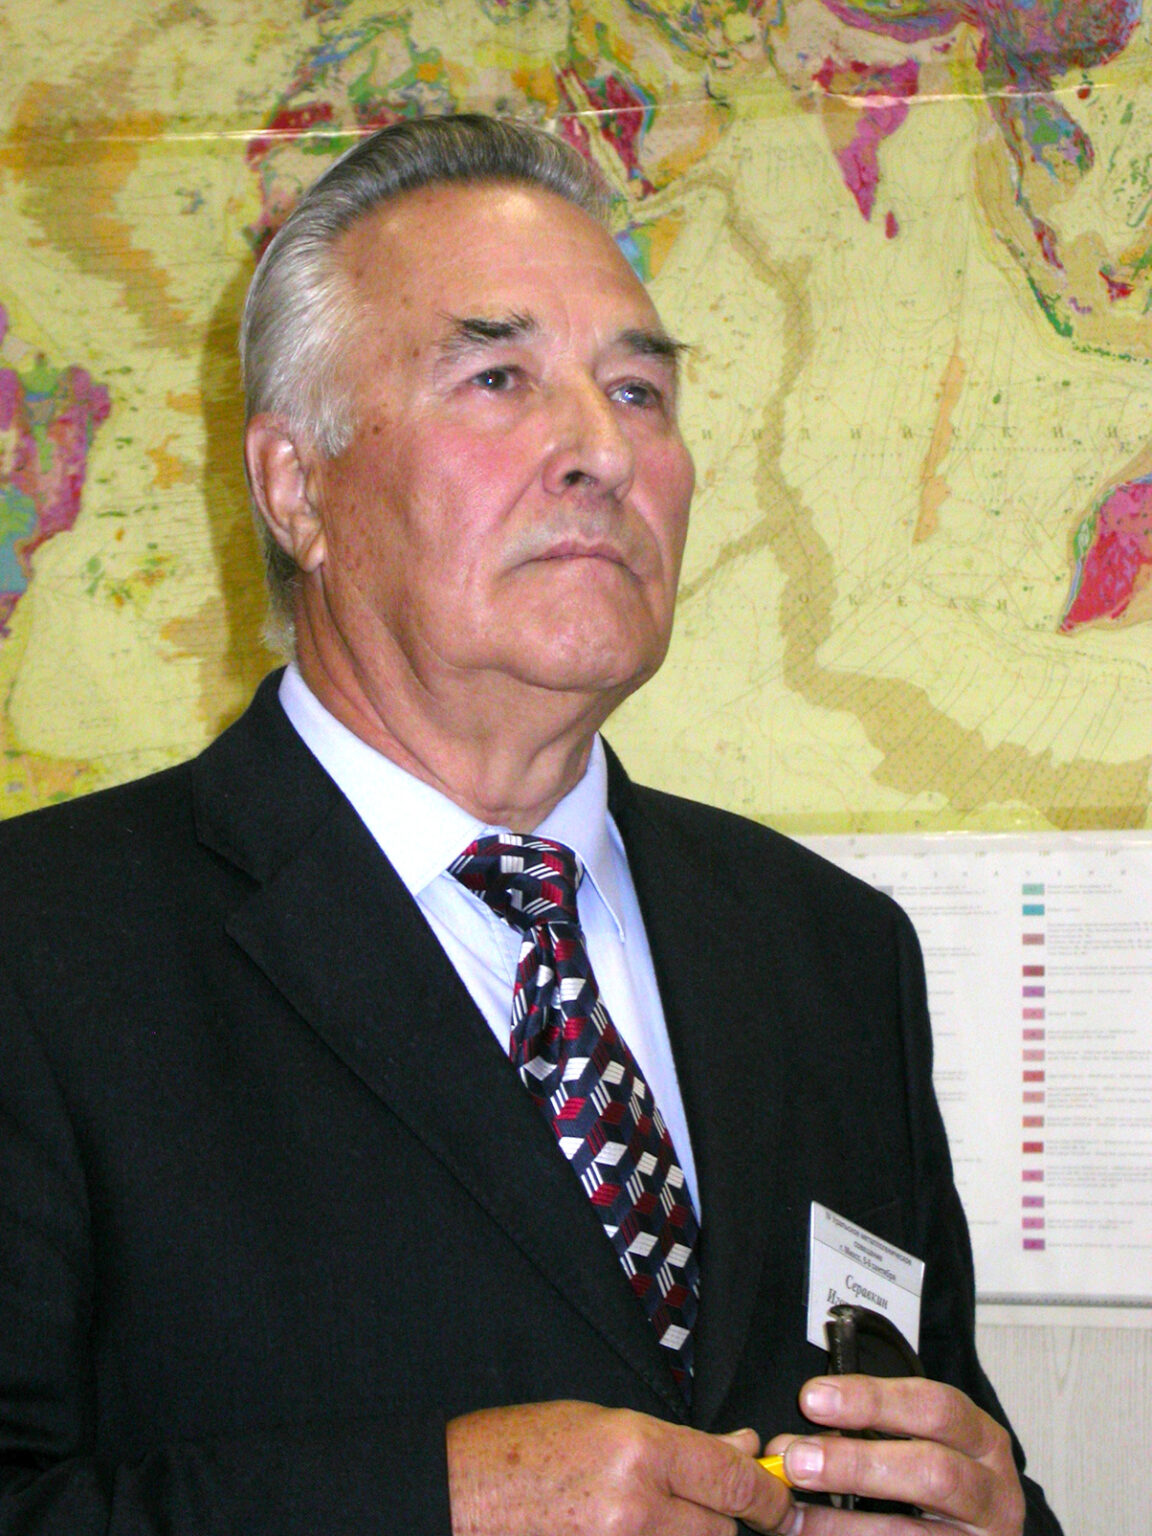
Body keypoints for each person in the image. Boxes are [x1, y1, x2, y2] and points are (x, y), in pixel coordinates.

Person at [0, 114, 1061, 1536]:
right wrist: (427, 1505)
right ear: (296, 486)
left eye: (638, 390)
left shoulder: (831, 953)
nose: (600, 450)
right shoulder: (44, 952)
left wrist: (997, 1520)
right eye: (498, 377)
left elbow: (941, 1441)